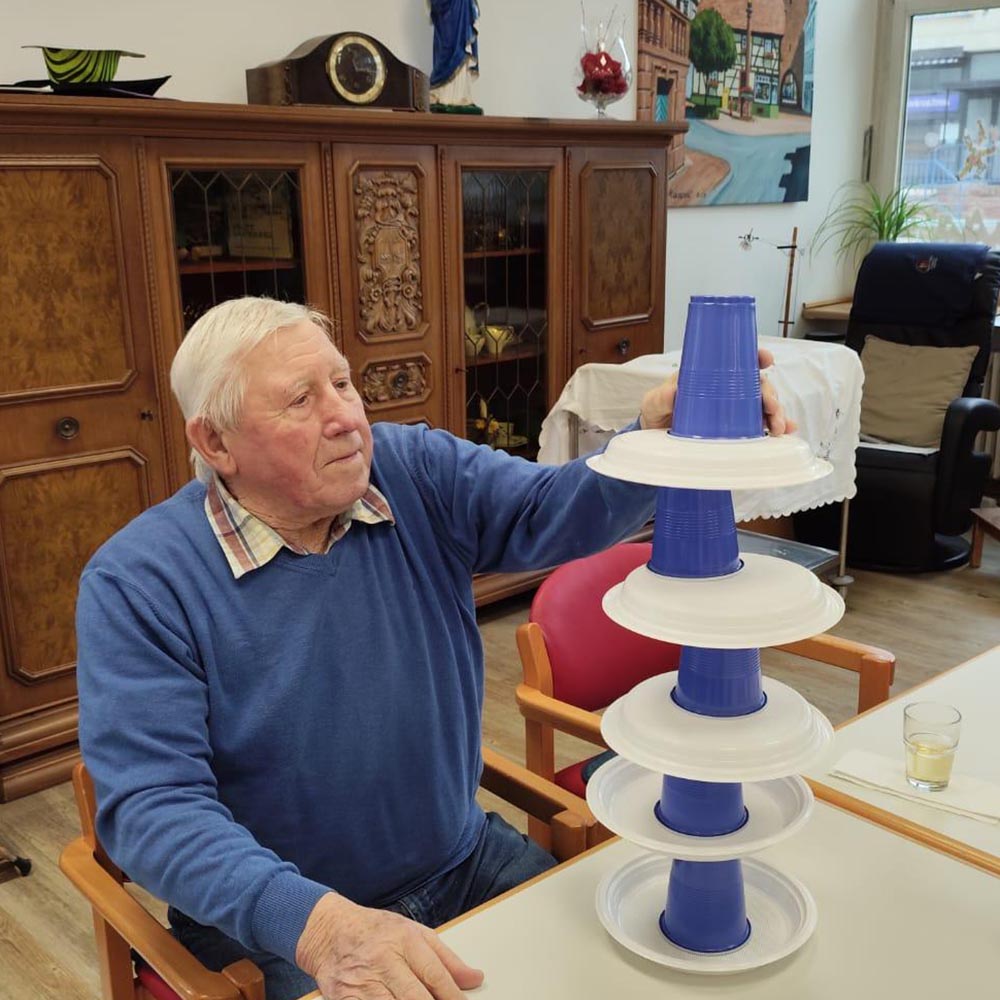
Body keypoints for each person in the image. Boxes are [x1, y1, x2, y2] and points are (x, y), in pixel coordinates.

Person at [76, 296, 792, 1000]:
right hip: (278, 927)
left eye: (342, 382)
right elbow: (153, 807)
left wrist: (655, 436)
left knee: (623, 974)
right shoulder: (139, 581)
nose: (348, 418)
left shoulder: (412, 470)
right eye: (300, 401)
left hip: (462, 859)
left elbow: (552, 511)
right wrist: (321, 927)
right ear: (215, 443)